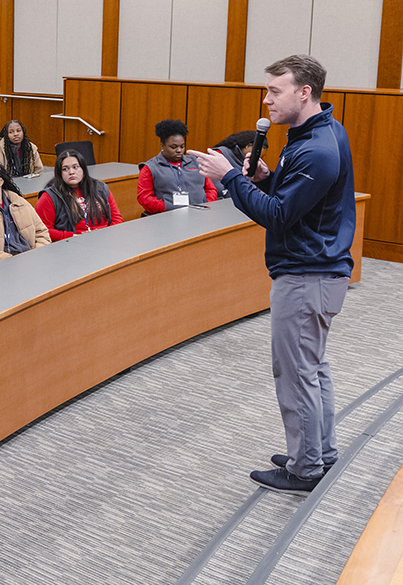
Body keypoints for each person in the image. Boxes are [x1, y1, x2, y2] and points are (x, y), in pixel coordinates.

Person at [190, 54, 356, 495]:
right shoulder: (317, 133)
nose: (266, 100)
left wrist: (230, 179)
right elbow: (293, 203)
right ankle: (319, 451)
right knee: (312, 367)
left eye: (274, 91)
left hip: (306, 276)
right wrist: (266, 178)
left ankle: (304, 469)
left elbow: (279, 217)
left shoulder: (316, 149)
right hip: (317, 270)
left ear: (305, 93)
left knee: (296, 372)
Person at [35, 150, 122, 241]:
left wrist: (108, 235)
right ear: (59, 173)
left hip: (104, 239)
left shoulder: (101, 188)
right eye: (65, 169)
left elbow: (117, 219)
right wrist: (71, 237)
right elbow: (43, 230)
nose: (71, 172)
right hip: (72, 244)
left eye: (75, 167)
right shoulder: (49, 197)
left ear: (83, 169)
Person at [137, 119, 217, 215]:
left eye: (182, 146)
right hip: (165, 216)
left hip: (199, 213)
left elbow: (210, 189)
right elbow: (144, 197)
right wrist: (166, 207)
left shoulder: (196, 162)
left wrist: (205, 203)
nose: (179, 150)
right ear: (162, 146)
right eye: (173, 147)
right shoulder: (150, 168)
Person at [209, 131, 262, 198]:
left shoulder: (243, 159)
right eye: (256, 153)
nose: (257, 157)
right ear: (248, 146)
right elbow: (215, 185)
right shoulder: (219, 154)